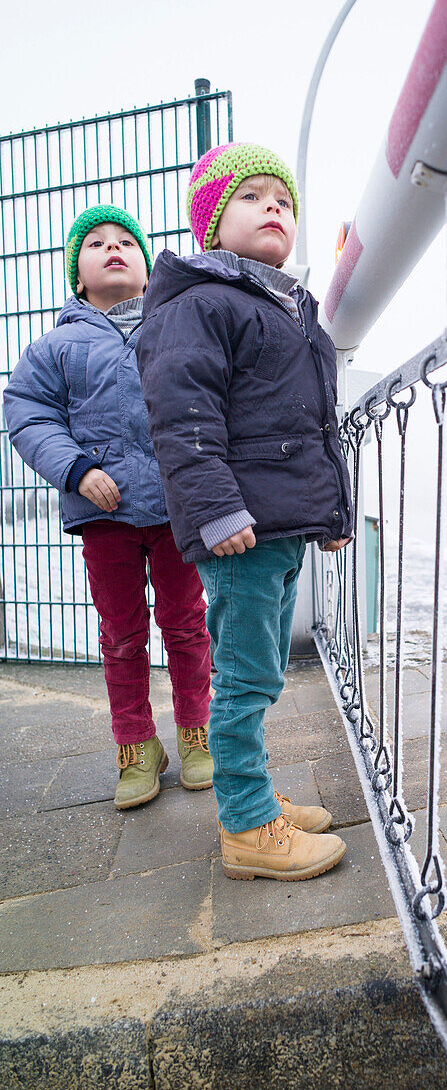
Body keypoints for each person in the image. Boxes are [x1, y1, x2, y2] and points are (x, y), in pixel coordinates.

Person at [136, 143, 353, 881]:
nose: (273, 208)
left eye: (283, 200)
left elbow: (318, 421)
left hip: (279, 522)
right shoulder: (202, 303)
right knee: (247, 678)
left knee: (257, 673)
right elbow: (183, 417)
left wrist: (333, 513)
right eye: (252, 196)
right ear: (210, 223)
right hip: (241, 530)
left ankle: (253, 796)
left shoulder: (286, 308)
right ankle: (248, 829)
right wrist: (217, 511)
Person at [3, 204, 213, 810]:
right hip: (105, 519)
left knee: (186, 624)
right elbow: (28, 413)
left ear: (147, 269)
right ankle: (136, 746)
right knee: (121, 634)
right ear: (78, 275)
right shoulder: (55, 345)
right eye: (95, 244)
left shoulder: (176, 327)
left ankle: (197, 734)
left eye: (127, 241)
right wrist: (77, 469)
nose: (113, 248)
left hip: (177, 513)